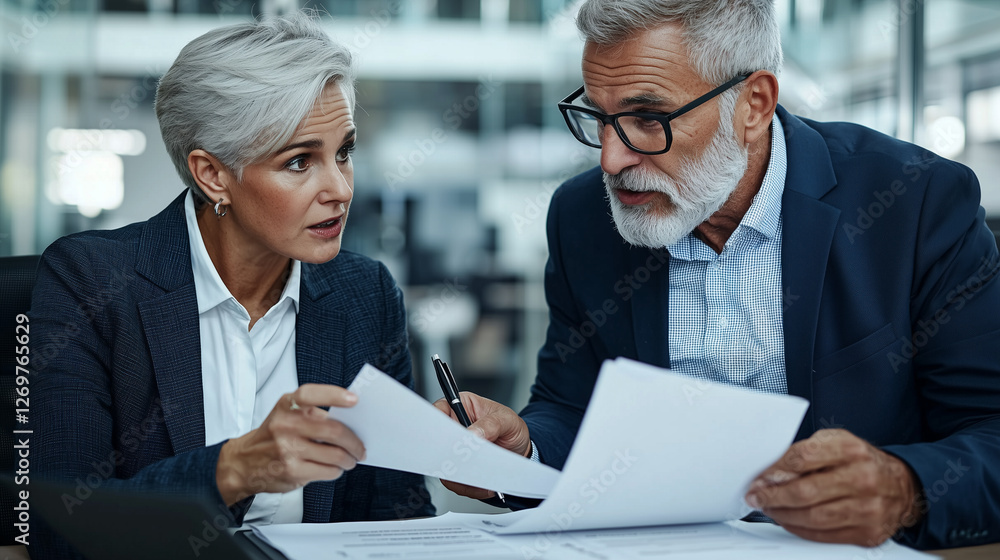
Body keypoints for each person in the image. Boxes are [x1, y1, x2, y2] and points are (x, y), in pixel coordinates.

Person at [436, 0, 1000, 551]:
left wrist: (904, 488)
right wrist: (523, 451)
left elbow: (990, 432)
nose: (610, 160)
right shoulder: (583, 217)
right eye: (599, 117)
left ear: (753, 104)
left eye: (647, 119)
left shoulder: (915, 203)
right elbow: (571, 406)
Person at [30, 11, 432, 558]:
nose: (339, 188)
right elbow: (61, 530)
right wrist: (234, 469)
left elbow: (397, 515)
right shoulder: (92, 282)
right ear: (212, 175)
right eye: (299, 162)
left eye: (344, 152)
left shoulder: (365, 293)